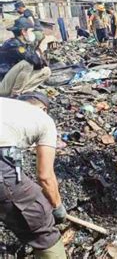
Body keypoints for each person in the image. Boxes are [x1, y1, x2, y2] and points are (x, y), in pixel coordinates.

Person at [0, 93, 67, 258]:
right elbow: (45, 176)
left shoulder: (6, 104)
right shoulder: (44, 119)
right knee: (42, 228)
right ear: (43, 108)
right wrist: (57, 208)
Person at [0, 18, 51, 97]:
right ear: (23, 32)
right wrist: (40, 50)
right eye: (30, 31)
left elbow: (39, 64)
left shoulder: (25, 45)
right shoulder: (13, 44)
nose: (32, 33)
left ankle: (24, 93)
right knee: (27, 64)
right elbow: (32, 60)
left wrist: (39, 54)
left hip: (11, 82)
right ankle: (15, 94)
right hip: (3, 85)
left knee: (46, 71)